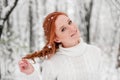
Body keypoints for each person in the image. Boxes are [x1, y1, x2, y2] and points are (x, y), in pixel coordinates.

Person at [19, 12, 109, 80]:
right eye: (63, 29)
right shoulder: (52, 62)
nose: (72, 28)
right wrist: (31, 74)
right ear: (56, 39)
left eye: (69, 22)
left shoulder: (95, 52)